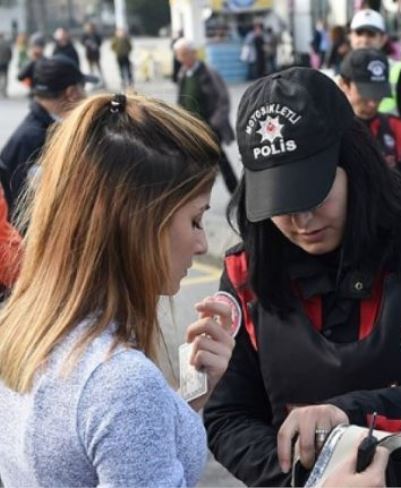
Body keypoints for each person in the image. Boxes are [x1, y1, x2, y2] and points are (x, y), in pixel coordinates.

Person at [203, 68, 401, 486]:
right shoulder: (245, 274)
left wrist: (350, 415)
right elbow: (227, 416)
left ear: (356, 166)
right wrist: (312, 482)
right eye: (280, 202)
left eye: (315, 194)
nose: (301, 220)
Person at [0, 91, 236, 485]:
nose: (203, 244)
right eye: (196, 220)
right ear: (139, 225)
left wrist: (191, 396)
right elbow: (120, 412)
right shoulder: (122, 384)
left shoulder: (22, 327)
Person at [0, 56, 96, 215]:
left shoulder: (47, 129)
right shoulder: (35, 138)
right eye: (83, 87)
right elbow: (19, 208)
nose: (86, 95)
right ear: (72, 93)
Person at [339, 48, 401, 197]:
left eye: (379, 94)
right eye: (366, 94)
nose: (373, 103)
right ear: (345, 85)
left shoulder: (396, 128)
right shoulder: (331, 133)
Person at [174, 38, 238, 194]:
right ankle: (194, 194)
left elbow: (223, 100)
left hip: (210, 126)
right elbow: (181, 99)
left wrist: (215, 122)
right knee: (192, 161)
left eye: (183, 54)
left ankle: (237, 193)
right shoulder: (183, 74)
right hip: (191, 127)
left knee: (220, 161)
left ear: (193, 54)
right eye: (178, 55)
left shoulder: (209, 73)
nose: (181, 59)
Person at [350, 9, 401, 139]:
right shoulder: (339, 76)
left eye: (371, 34)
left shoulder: (399, 70)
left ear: (383, 38)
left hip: (388, 151)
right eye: (359, 33)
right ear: (350, 36)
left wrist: (383, 127)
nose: (364, 39)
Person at [81, 21, 105, 87]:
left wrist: (96, 44)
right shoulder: (85, 35)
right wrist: (87, 43)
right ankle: (92, 83)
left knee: (98, 67)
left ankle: (102, 81)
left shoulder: (96, 34)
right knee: (90, 68)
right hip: (89, 54)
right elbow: (82, 42)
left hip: (96, 53)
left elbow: (100, 42)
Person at [0, 33, 11, 98]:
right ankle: (4, 91)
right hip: (5, 63)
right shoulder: (6, 44)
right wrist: (8, 60)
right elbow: (10, 53)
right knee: (5, 77)